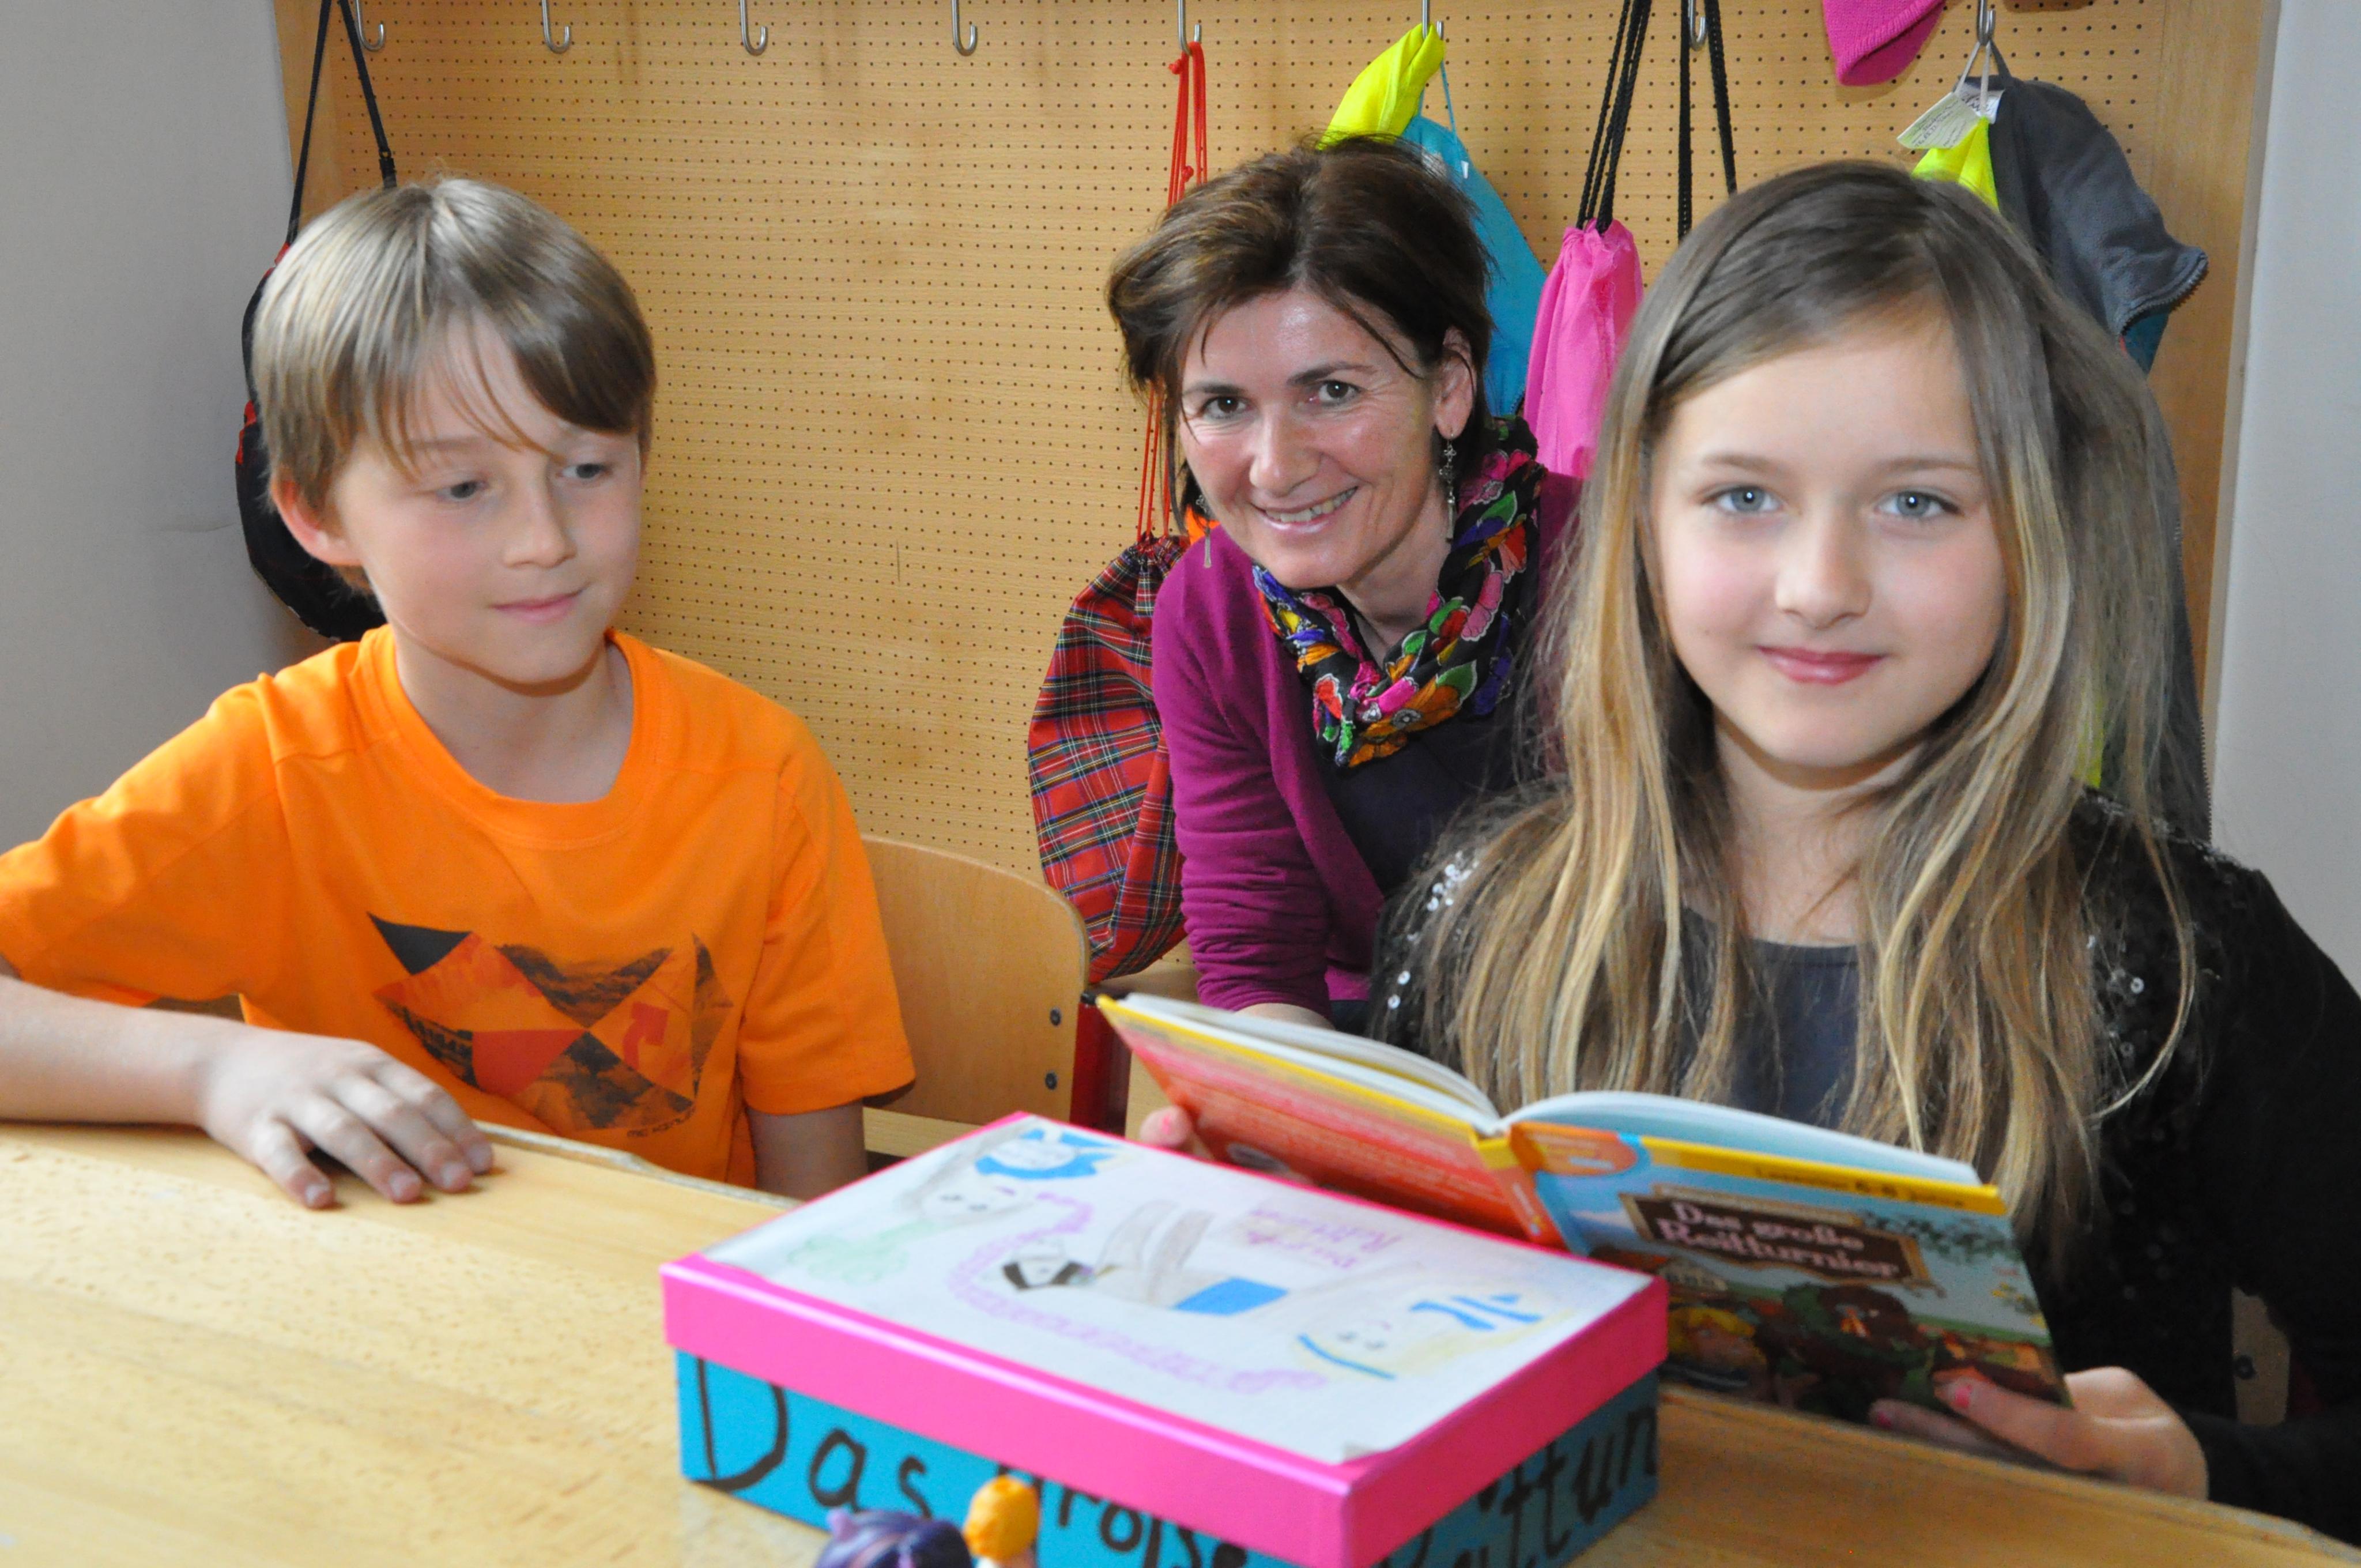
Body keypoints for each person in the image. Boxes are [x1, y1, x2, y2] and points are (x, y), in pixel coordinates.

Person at [1149, 160, 2358, 1542]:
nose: (1817, 586)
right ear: (1639, 526)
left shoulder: (2181, 964)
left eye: (1916, 503)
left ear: (2032, 531)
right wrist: (1309, 1244)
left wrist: (2199, 1474)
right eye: (1740, 497)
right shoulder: (1481, 913)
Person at [0, 178, 911, 1205]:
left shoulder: (763, 779)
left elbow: (815, 1216)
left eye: (587, 469)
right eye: (464, 487)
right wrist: (216, 1069)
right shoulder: (275, 770)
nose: (543, 541)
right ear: (317, 516)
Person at [1104, 138, 1579, 1032]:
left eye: (1330, 391)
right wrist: (1303, 1103)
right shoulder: (1210, 609)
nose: (1275, 469)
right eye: (1223, 406)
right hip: (1380, 1062)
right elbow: (1257, 963)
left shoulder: (1622, 572)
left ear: (1450, 388)